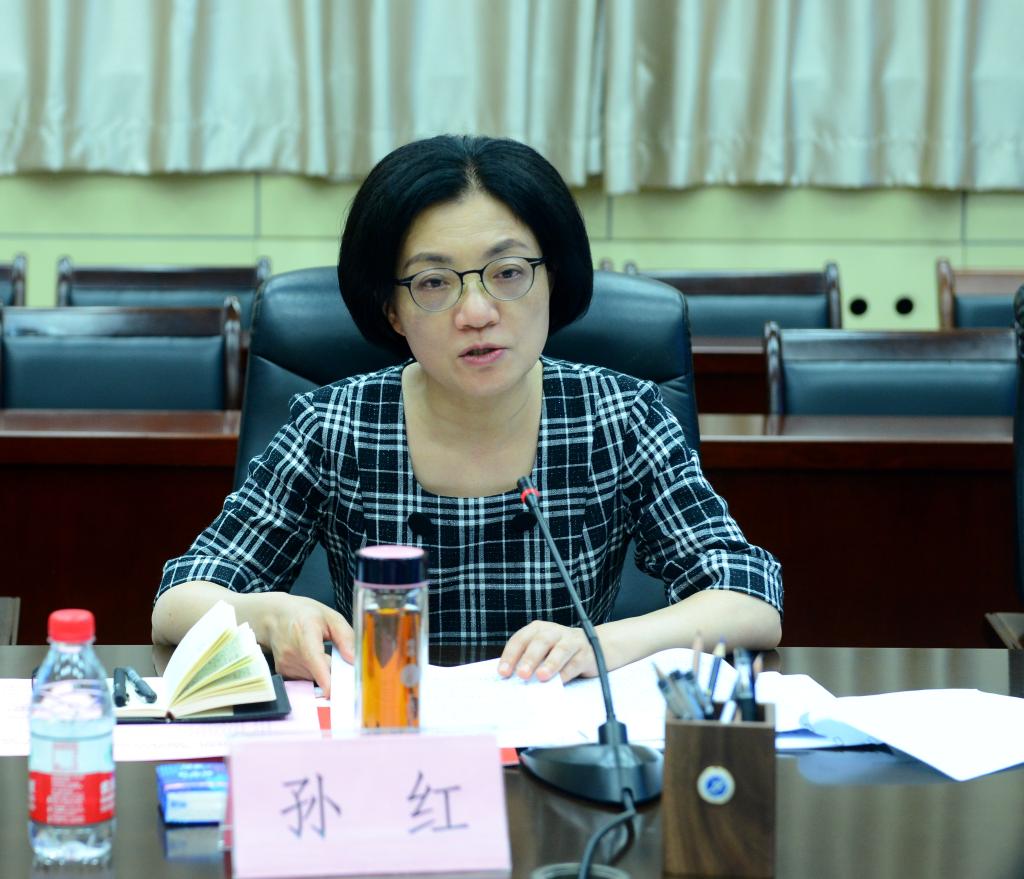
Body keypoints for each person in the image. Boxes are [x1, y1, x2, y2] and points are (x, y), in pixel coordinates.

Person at [152, 135, 782, 696]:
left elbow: (750, 595)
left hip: (556, 756)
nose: (476, 312)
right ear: (392, 310)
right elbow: (179, 600)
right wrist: (268, 616)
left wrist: (606, 642)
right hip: (388, 739)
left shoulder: (618, 417)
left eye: (508, 273)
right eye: (433, 283)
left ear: (553, 280)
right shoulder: (335, 424)